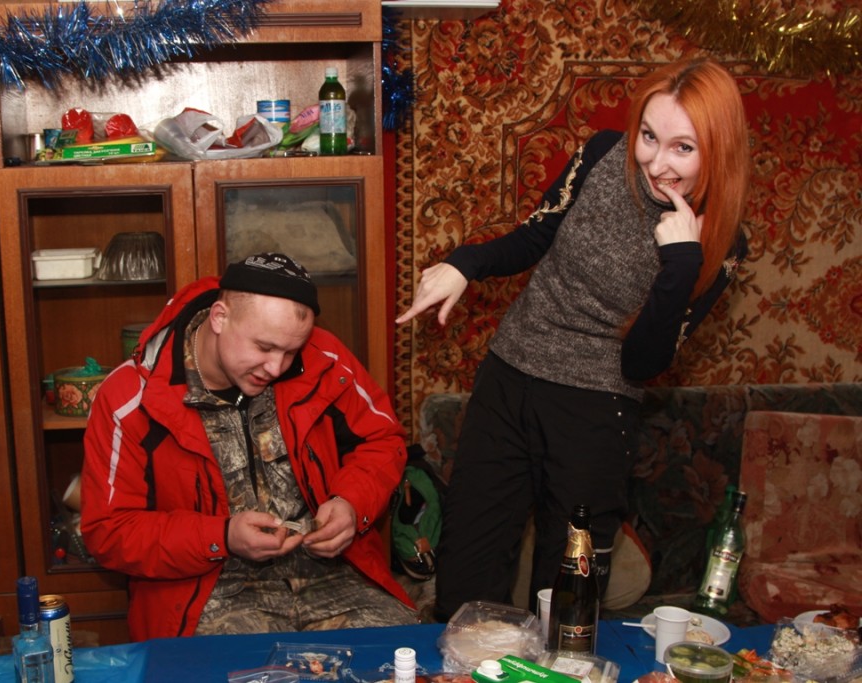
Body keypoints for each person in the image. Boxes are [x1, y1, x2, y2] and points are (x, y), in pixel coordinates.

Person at [395, 57, 751, 621]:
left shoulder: (722, 243)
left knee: (566, 600)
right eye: (649, 137)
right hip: (509, 379)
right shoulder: (603, 153)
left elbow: (642, 362)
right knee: (466, 578)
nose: (656, 163)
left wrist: (682, 262)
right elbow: (536, 234)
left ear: (718, 151)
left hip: (596, 412)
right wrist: (466, 263)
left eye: (682, 148)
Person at [82, 252, 417, 640]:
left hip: (334, 577)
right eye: (264, 347)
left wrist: (351, 503)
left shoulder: (323, 358)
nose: (276, 367)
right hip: (206, 592)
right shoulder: (130, 398)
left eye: (290, 352)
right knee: (241, 666)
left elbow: (382, 440)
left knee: (403, 656)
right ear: (219, 317)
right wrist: (221, 536)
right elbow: (109, 531)